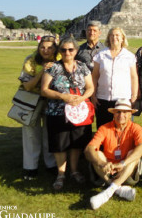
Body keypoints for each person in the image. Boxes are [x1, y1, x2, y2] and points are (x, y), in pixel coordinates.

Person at [41, 37, 94, 190]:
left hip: (79, 111)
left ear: (76, 51)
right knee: (60, 144)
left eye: (71, 49)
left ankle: (75, 170)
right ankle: (61, 173)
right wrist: (62, 96)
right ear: (60, 51)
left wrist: (82, 98)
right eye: (63, 50)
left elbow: (90, 87)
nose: (67, 53)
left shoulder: (83, 67)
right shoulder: (53, 67)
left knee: (76, 143)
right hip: (57, 111)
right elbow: (44, 89)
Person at [85, 99, 142, 210]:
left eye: (125, 112)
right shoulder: (104, 128)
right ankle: (116, 188)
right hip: (107, 170)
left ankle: (108, 192)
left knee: (134, 153)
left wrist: (122, 164)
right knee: (96, 154)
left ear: (130, 114)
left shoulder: (136, 128)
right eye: (118, 112)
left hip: (126, 170)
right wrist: (102, 163)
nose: (121, 115)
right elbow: (89, 149)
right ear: (113, 113)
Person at [17, 35, 59, 180]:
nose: (45, 51)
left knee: (50, 133)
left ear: (55, 48)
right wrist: (43, 71)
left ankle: (51, 164)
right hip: (32, 100)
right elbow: (27, 85)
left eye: (49, 47)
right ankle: (30, 167)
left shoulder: (59, 59)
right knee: (30, 133)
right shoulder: (31, 60)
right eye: (42, 47)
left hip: (51, 101)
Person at [92, 27, 138, 129]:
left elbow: (134, 77)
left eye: (117, 35)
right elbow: (94, 76)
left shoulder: (129, 56)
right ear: (108, 38)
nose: (114, 37)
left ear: (122, 38)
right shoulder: (100, 55)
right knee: (103, 128)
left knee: (122, 128)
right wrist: (93, 95)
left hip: (122, 99)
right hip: (103, 97)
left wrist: (134, 96)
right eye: (112, 35)